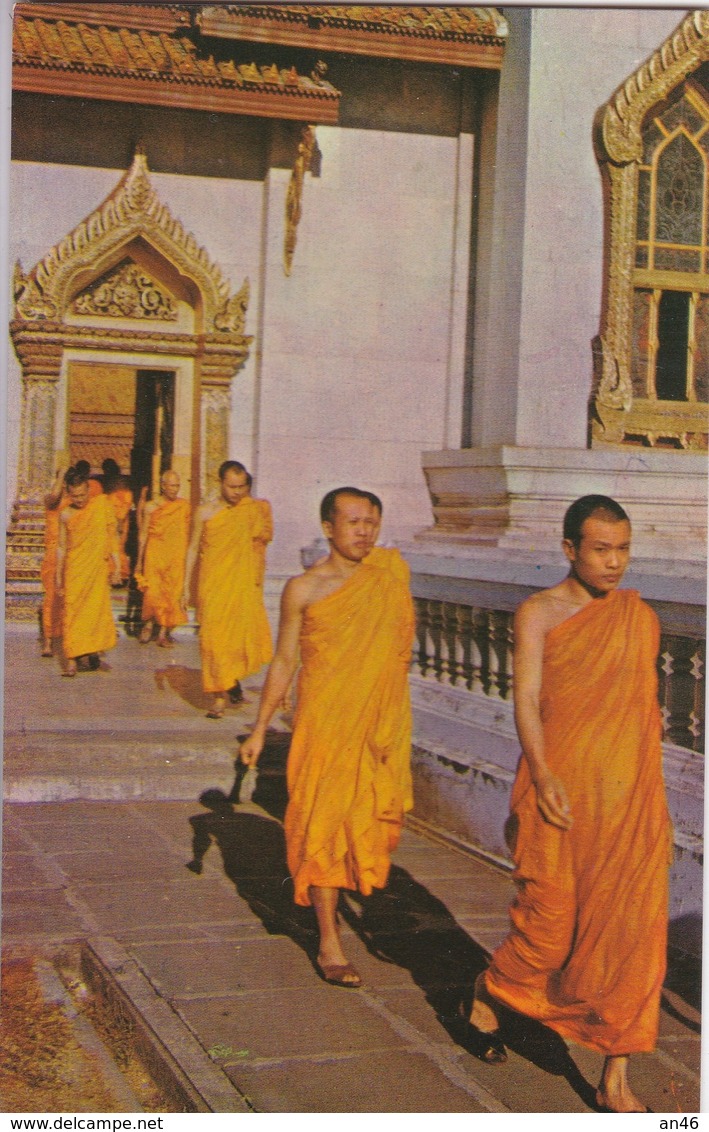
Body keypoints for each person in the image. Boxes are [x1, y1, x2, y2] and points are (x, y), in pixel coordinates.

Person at [465, 494, 671, 1114]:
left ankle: (615, 1077)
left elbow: (647, 715)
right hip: (561, 795)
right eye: (601, 549)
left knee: (632, 935)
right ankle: (491, 988)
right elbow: (526, 698)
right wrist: (546, 771)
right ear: (570, 550)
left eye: (624, 549)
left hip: (629, 802)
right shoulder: (540, 613)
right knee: (548, 929)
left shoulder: (641, 617)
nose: (615, 563)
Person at [240, 487, 415, 988]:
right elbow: (285, 662)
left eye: (372, 523)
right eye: (354, 521)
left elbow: (398, 653)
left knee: (363, 826)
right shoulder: (305, 588)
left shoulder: (388, 577)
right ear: (328, 527)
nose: (364, 531)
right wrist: (258, 729)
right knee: (321, 824)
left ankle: (342, 915)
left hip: (375, 728)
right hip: (324, 726)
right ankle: (328, 941)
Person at [183, 461, 273, 718]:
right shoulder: (205, 513)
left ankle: (230, 680)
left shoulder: (252, 510)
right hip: (213, 585)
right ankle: (218, 696)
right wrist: (184, 586)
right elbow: (192, 549)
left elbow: (261, 542)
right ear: (220, 483)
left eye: (242, 486)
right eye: (231, 486)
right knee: (212, 640)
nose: (236, 492)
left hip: (241, 585)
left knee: (235, 640)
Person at [56, 468, 121, 676]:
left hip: (96, 569)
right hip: (75, 569)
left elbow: (112, 538)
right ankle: (72, 660)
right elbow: (61, 547)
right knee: (72, 612)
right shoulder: (65, 514)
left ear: (88, 490)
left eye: (83, 495)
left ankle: (90, 649)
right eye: (74, 496)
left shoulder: (100, 505)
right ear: (68, 494)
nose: (80, 500)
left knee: (94, 612)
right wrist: (58, 577)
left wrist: (118, 566)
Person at [135, 470, 191, 647]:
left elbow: (186, 531)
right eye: (172, 485)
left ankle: (162, 633)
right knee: (153, 592)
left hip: (175, 554)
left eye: (177, 486)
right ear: (163, 486)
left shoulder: (183, 506)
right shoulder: (151, 506)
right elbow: (143, 535)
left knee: (172, 593)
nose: (175, 489)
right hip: (155, 553)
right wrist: (139, 560)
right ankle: (148, 625)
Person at [102, 457, 133, 583]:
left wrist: (119, 523)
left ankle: (120, 573)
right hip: (110, 521)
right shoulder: (107, 482)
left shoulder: (121, 482)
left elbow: (125, 503)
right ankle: (112, 573)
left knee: (119, 547)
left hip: (120, 521)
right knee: (111, 546)